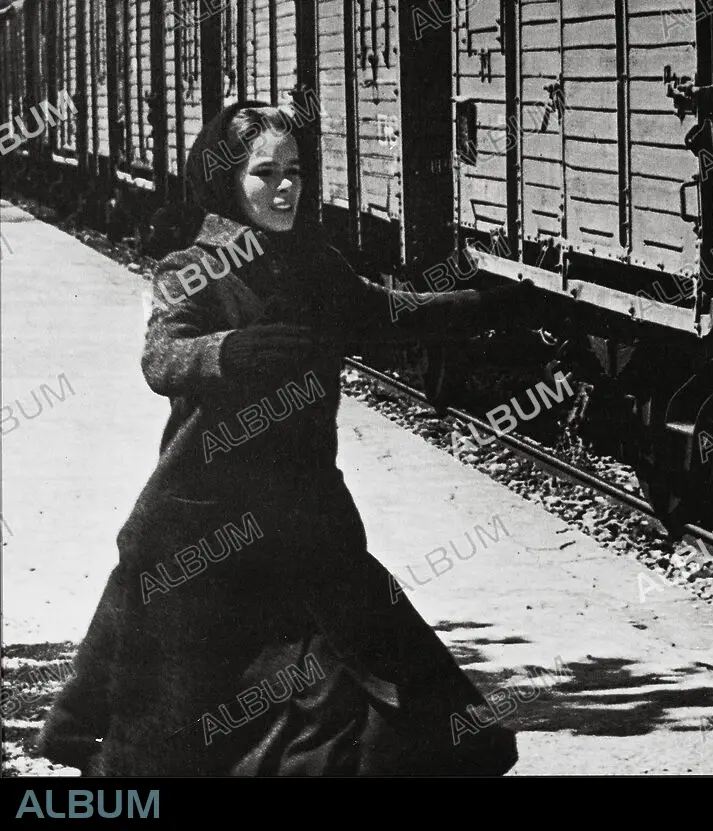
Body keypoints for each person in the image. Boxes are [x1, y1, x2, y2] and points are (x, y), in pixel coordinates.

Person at [38, 101, 537, 776]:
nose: (284, 189)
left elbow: (388, 314)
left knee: (417, 708)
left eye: (295, 172)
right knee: (175, 734)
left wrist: (487, 305)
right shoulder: (192, 267)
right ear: (226, 181)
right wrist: (228, 351)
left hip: (306, 513)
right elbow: (162, 357)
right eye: (264, 173)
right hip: (205, 523)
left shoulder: (314, 265)